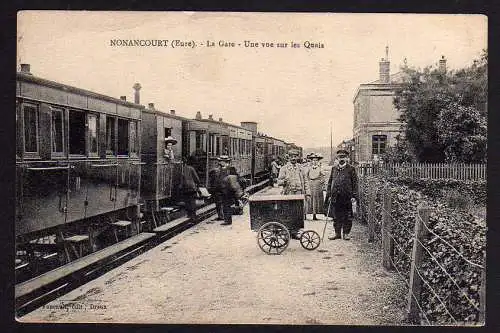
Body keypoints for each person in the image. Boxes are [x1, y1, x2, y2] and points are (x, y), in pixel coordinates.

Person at [324, 149, 358, 240]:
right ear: (337, 158)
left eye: (343, 157)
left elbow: (355, 183)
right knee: (336, 215)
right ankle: (337, 233)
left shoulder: (351, 169)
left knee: (347, 215)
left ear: (347, 158)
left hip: (347, 196)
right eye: (339, 157)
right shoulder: (334, 168)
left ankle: (346, 233)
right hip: (336, 196)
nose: (341, 159)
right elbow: (330, 182)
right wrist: (329, 194)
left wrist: (354, 196)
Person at [277, 149, 310, 238]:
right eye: (291, 157)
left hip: (299, 193)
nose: (293, 158)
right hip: (288, 193)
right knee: (288, 212)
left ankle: (295, 232)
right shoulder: (284, 168)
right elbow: (278, 181)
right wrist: (284, 181)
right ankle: (287, 232)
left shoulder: (301, 168)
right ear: (288, 158)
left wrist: (308, 193)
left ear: (298, 157)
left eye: (295, 156)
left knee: (298, 213)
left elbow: (306, 181)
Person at [180, 155, 202, 220]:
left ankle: (189, 214)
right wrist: (198, 183)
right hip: (192, 187)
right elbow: (196, 178)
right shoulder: (191, 168)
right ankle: (193, 215)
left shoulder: (182, 169)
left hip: (185, 187)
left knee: (187, 201)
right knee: (192, 201)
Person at [306, 153, 325, 220]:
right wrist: (308, 182)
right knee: (310, 198)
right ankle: (309, 213)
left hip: (317, 185)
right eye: (313, 160)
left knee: (316, 199)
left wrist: (320, 182)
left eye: (316, 160)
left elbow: (323, 177)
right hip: (310, 184)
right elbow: (306, 176)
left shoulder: (320, 168)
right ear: (311, 161)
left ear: (318, 161)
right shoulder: (309, 168)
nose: (314, 162)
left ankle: (315, 214)